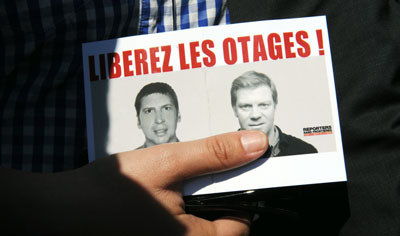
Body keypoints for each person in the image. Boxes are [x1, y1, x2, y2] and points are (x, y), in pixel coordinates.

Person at [230, 70, 318, 157]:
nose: (255, 115)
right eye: (246, 106)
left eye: (263, 105)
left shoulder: (306, 152)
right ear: (234, 110)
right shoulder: (224, 156)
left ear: (275, 105)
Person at [134, 82, 181, 149]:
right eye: (149, 111)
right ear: (138, 121)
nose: (159, 120)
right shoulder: (126, 159)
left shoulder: (197, 157)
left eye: (166, 108)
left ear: (178, 115)